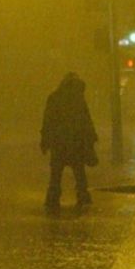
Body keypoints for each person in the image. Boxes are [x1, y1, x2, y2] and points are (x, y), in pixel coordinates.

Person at [39, 72, 99, 208]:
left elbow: (48, 121)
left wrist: (45, 140)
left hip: (59, 143)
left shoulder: (54, 98)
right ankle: (82, 196)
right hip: (75, 143)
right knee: (79, 172)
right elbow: (86, 121)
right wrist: (91, 139)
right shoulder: (78, 99)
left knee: (56, 174)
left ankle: (53, 198)